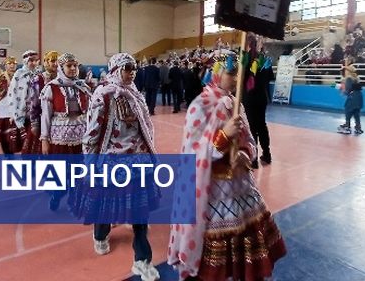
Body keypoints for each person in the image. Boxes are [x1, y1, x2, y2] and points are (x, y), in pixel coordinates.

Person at [168, 54, 286, 281]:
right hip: (213, 192)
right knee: (211, 268)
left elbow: (249, 140)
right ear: (216, 74)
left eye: (239, 74)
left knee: (247, 256)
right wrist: (223, 137)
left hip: (241, 188)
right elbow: (192, 152)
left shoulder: (236, 103)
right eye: (231, 73)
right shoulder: (199, 106)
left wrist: (243, 153)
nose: (236, 79)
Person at [79, 53, 160, 281]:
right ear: (115, 69)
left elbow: (146, 128)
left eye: (134, 67)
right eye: (127, 68)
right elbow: (92, 132)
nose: (131, 72)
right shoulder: (103, 95)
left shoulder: (136, 94)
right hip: (112, 161)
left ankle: (142, 261)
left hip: (138, 161)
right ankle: (100, 234)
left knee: (140, 212)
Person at [39, 53, 91, 210]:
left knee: (79, 171)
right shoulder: (51, 88)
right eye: (69, 66)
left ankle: (74, 200)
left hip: (81, 138)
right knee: (60, 171)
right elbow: (46, 116)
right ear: (61, 68)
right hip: (59, 138)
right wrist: (44, 140)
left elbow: (91, 113)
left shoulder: (84, 87)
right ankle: (57, 194)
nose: (73, 69)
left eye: (75, 65)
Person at [243, 53, 275, 166]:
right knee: (261, 126)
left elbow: (241, 77)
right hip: (262, 98)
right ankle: (267, 154)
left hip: (249, 98)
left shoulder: (245, 59)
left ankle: (254, 158)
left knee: (252, 127)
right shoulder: (264, 59)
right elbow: (271, 77)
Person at [8, 50, 41, 154]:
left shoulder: (39, 74)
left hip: (35, 114)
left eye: (36, 61)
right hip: (21, 113)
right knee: (22, 143)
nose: (33, 63)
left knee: (32, 143)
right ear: (26, 61)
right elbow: (12, 93)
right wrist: (14, 113)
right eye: (31, 60)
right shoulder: (19, 74)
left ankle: (32, 165)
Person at [0, 57, 18, 155]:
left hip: (15, 107)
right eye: (9, 63)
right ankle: (7, 153)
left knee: (13, 133)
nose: (12, 65)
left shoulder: (19, 76)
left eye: (14, 63)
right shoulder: (1, 77)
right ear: (5, 65)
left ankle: (12, 152)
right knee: (3, 134)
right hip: (3, 107)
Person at [337, 57, 364, 135]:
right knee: (356, 113)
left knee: (348, 110)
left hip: (352, 97)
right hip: (359, 97)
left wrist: (340, 88)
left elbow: (347, 90)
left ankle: (347, 126)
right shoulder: (356, 77)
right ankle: (358, 128)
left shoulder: (348, 78)